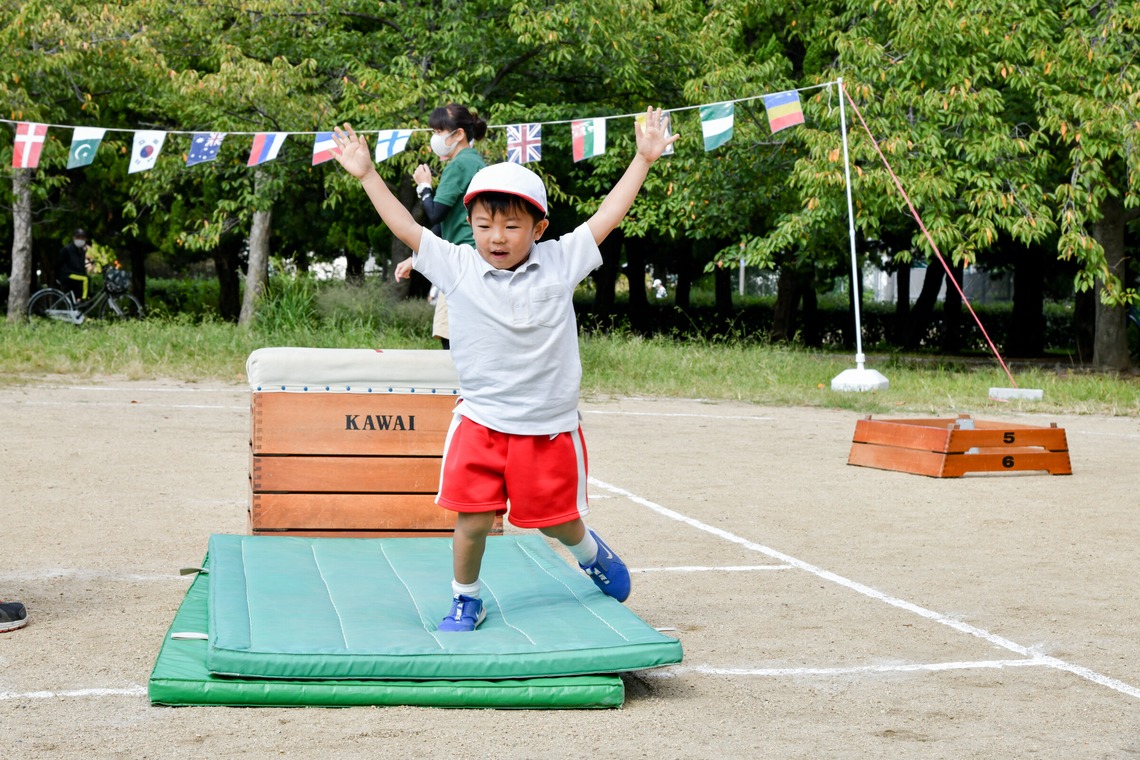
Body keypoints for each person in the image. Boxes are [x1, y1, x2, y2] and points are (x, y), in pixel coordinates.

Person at [334, 107, 678, 632]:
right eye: (483, 224)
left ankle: (587, 551)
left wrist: (642, 159)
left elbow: (608, 215)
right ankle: (465, 597)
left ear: (538, 227)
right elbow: (406, 226)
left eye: (512, 225)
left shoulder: (561, 260)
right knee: (470, 520)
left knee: (557, 522)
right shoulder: (459, 264)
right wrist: (367, 175)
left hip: (545, 426)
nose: (496, 236)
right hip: (482, 421)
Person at [412, 104, 487, 349]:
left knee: (450, 335)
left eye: (439, 130)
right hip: (479, 255)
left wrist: (424, 187)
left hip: (461, 259)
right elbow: (447, 223)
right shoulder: (477, 162)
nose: (435, 137)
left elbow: (435, 214)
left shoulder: (458, 165)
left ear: (458, 134)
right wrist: (415, 256)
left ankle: (461, 387)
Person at [57, 228, 92, 302]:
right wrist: (57, 277)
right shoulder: (66, 249)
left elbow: (81, 266)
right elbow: (59, 264)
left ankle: (80, 300)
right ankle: (84, 300)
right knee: (85, 279)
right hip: (67, 274)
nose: (80, 240)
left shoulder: (82, 251)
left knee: (86, 278)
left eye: (82, 238)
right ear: (74, 238)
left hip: (76, 275)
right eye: (78, 237)